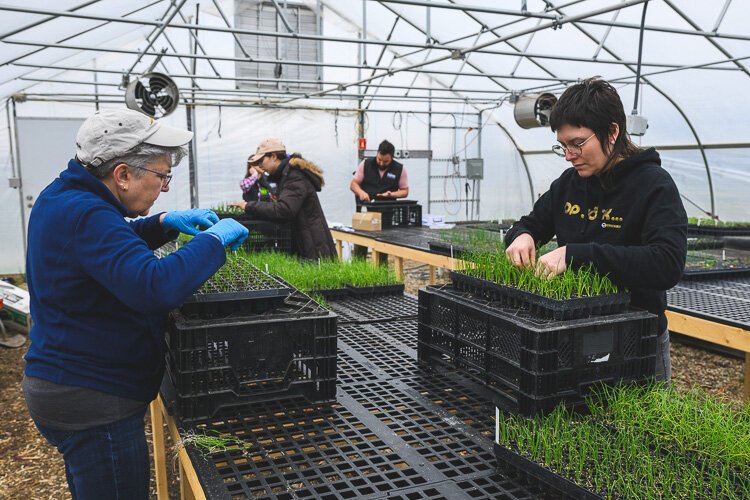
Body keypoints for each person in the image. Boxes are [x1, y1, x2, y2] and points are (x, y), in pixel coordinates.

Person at [22, 108, 248, 499]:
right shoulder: (85, 213)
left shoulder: (64, 196)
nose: (164, 187)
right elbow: (155, 286)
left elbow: (108, 247)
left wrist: (160, 223)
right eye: (162, 176)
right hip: (92, 398)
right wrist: (213, 241)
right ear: (123, 174)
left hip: (68, 385)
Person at [504, 78, 687, 382]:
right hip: (572, 333)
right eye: (562, 146)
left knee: (637, 425)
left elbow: (667, 263)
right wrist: (520, 236)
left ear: (612, 132)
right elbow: (529, 224)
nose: (568, 155)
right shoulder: (568, 184)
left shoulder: (654, 184)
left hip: (636, 339)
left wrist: (577, 255)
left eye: (577, 143)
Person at [231, 137, 337, 260]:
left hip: (313, 245)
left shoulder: (294, 176)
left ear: (273, 157)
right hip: (305, 241)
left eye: (262, 160)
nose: (260, 165)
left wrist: (249, 206)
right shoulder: (285, 176)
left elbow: (285, 209)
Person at [350, 139, 409, 205]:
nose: (381, 163)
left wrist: (391, 194)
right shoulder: (365, 164)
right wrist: (361, 193)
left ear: (392, 157)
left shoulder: (400, 169)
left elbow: (405, 191)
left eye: (385, 161)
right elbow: (354, 184)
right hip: (366, 208)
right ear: (377, 153)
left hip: (387, 209)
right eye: (379, 159)